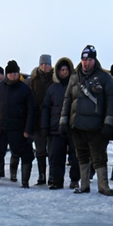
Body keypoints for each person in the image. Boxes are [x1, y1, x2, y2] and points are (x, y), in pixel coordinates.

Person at [59, 45, 113, 196]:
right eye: (83, 59)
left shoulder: (105, 78)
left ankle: (103, 186)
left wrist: (108, 123)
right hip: (77, 124)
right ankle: (84, 184)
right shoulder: (74, 76)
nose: (85, 63)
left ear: (94, 59)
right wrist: (63, 121)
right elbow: (67, 99)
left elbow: (111, 102)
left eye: (89, 59)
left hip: (96, 126)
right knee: (81, 155)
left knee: (99, 156)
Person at [0, 60, 36, 187]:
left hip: (18, 128)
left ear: (18, 74)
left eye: (15, 73)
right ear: (7, 74)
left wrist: (28, 130)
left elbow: (31, 111)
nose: (13, 76)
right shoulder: (0, 87)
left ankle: (24, 181)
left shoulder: (25, 89)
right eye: (10, 73)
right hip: (0, 127)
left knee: (25, 154)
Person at [41, 57, 78, 190]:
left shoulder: (76, 86)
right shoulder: (52, 88)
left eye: (66, 70)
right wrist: (44, 126)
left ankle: (74, 180)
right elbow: (45, 108)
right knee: (56, 156)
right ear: (57, 71)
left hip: (73, 127)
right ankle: (57, 181)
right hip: (55, 127)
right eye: (61, 70)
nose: (64, 72)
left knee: (75, 156)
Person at [27, 55, 54, 186]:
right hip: (37, 120)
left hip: (51, 119)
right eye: (43, 64)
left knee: (53, 150)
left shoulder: (55, 79)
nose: (45, 67)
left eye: (47, 64)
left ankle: (52, 176)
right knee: (40, 150)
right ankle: (42, 175)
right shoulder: (33, 80)